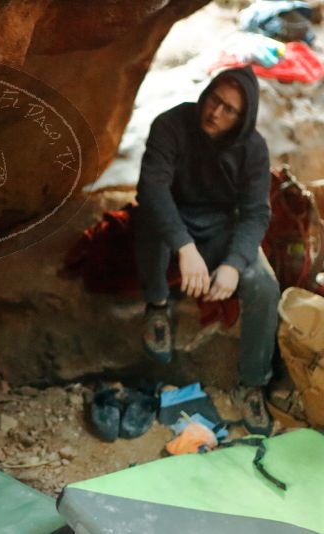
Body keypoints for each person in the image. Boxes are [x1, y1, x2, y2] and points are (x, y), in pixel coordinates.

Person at [134, 66, 280, 435]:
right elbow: (152, 188)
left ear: (242, 118)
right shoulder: (170, 124)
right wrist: (184, 246)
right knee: (151, 217)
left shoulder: (253, 148)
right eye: (215, 99)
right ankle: (156, 308)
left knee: (264, 286)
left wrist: (232, 264)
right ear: (206, 93)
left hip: (218, 224)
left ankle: (252, 383)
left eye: (229, 110)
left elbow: (255, 213)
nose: (215, 113)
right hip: (173, 217)